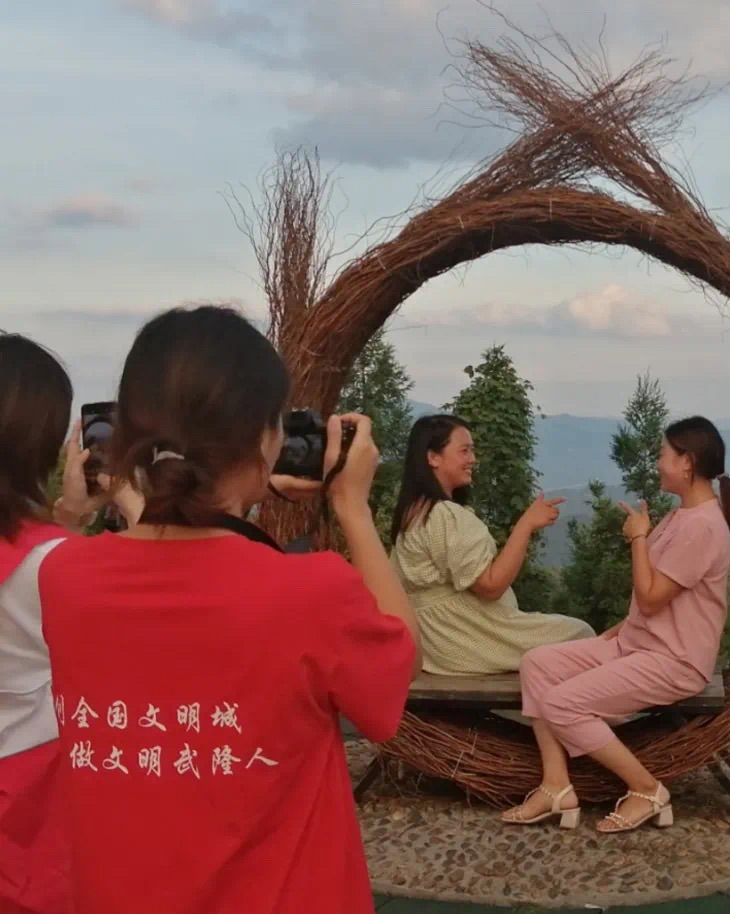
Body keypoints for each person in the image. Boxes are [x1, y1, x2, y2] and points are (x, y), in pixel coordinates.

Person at [38, 305, 421, 914]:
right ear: (266, 438)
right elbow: (398, 671)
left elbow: (160, 548)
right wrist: (352, 507)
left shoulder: (64, 578)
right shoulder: (312, 592)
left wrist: (234, 495)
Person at [503, 416, 730, 833]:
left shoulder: (704, 527)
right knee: (537, 664)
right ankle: (556, 786)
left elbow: (652, 595)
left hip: (674, 660)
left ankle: (647, 790)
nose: (657, 462)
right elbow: (652, 602)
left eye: (663, 454)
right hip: (638, 644)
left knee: (562, 704)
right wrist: (624, 627)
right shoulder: (683, 515)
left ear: (687, 462)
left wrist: (638, 538)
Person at [0, 333, 140, 914]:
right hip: (31, 821)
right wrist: (133, 503)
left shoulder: (52, 559)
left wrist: (68, 518)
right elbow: (167, 620)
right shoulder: (61, 566)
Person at [390, 414, 593, 676]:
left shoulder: (414, 512)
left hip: (435, 640)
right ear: (433, 458)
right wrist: (526, 525)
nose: (472, 459)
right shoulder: (443, 515)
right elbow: (490, 586)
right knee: (580, 635)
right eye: (464, 451)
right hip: (462, 636)